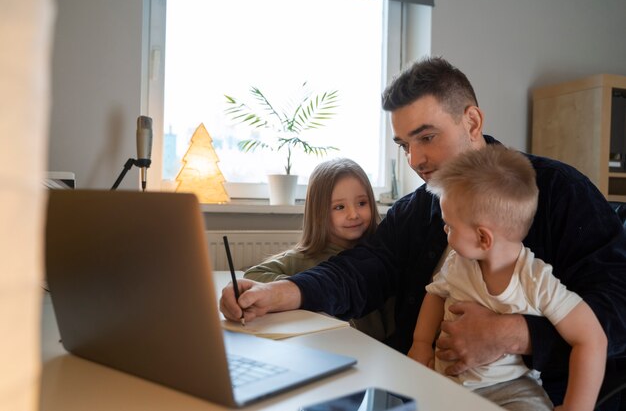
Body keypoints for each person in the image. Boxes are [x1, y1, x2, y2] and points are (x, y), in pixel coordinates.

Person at [220, 57, 626, 410]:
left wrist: (514, 334)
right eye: (403, 145)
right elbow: (365, 268)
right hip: (417, 385)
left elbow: (618, 306)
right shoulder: (418, 207)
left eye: (427, 137)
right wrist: (282, 293)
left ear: (472, 121)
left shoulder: (559, 191)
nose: (415, 159)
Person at [408, 145, 606, 411]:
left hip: (512, 392)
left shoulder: (536, 281)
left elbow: (592, 339)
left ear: (483, 238)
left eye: (450, 226)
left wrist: (576, 407)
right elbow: (435, 294)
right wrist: (420, 343)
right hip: (450, 385)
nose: (444, 230)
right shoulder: (458, 263)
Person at [244, 158, 394, 340]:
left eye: (362, 203)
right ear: (319, 213)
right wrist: (303, 291)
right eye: (339, 207)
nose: (353, 214)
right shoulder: (303, 258)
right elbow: (254, 275)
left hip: (378, 353)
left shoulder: (380, 259)